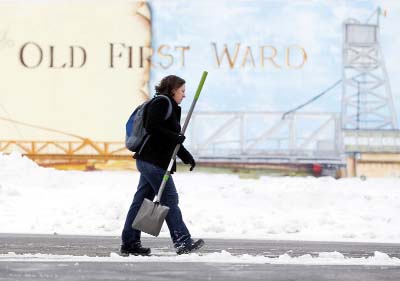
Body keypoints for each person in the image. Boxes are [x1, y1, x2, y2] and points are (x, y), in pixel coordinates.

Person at [121, 75, 204, 256]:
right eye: (182, 91)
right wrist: (175, 137)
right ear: (173, 89)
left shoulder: (171, 106)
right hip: (152, 162)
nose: (184, 95)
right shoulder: (162, 103)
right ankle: (182, 241)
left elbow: (171, 140)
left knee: (140, 201)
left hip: (151, 160)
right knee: (170, 199)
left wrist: (186, 156)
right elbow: (153, 127)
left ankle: (129, 242)